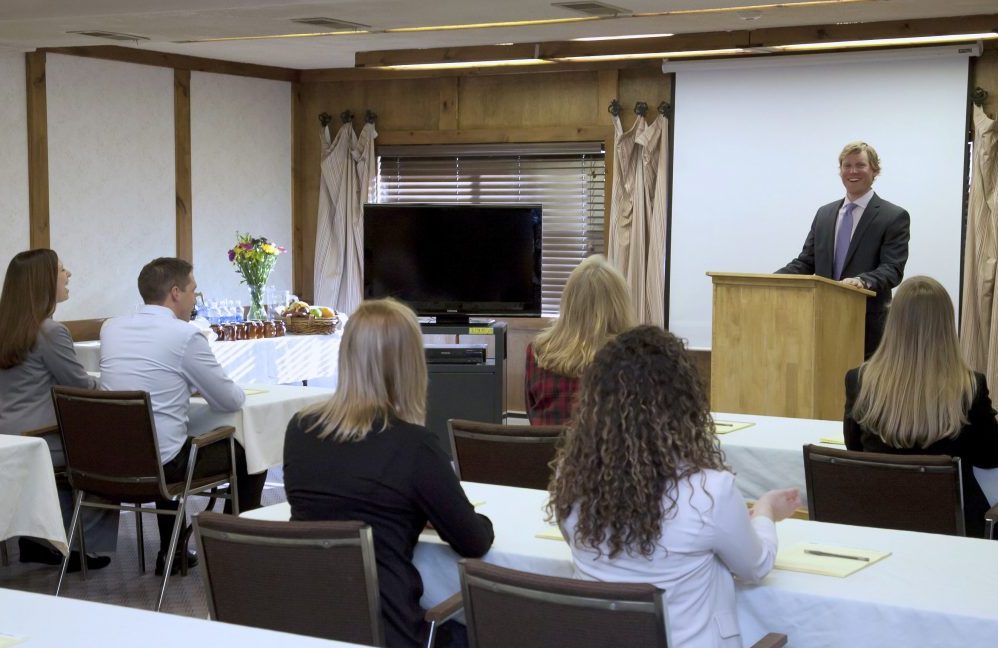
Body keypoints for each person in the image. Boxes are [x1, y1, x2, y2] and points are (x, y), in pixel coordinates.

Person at [548, 326, 800, 648]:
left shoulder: (572, 480)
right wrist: (764, 512)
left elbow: (576, 543)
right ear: (684, 405)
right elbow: (755, 566)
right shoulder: (709, 492)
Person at [284, 298, 494, 648]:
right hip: (389, 631)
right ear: (410, 364)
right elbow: (474, 541)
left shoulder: (301, 428)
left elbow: (344, 501)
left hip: (308, 623)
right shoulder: (415, 446)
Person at [100, 257, 265, 575]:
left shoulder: (111, 328)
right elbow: (229, 399)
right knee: (251, 452)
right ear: (175, 292)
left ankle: (173, 551)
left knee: (167, 437)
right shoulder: (185, 336)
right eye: (193, 291)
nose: (195, 299)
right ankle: (231, 550)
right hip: (163, 466)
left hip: (109, 463)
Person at [845, 276, 998, 537]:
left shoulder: (859, 381)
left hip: (877, 524)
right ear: (947, 326)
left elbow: (854, 449)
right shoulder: (971, 386)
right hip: (955, 531)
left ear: (892, 322)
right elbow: (990, 457)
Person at [0, 249, 118, 572]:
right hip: (42, 442)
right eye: (62, 270)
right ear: (43, 282)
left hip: (7, 442)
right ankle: (80, 545)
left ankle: (38, 539)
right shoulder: (50, 332)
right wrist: (111, 385)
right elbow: (80, 387)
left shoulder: (7, 329)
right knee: (110, 455)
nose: (69, 276)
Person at [777, 141, 910, 358]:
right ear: (840, 171)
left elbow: (892, 269)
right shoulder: (824, 214)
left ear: (875, 170)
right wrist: (773, 280)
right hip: (821, 320)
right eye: (847, 166)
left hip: (867, 325)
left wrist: (862, 281)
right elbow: (805, 262)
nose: (853, 171)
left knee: (863, 390)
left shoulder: (893, 216)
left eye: (860, 165)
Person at [525, 255, 635, 425]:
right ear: (619, 306)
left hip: (548, 451)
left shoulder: (537, 351)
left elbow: (532, 415)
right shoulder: (632, 358)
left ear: (568, 302)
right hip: (605, 450)